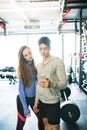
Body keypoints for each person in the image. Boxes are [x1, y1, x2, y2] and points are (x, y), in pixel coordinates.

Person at [33, 36, 67, 130]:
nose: (43, 51)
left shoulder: (57, 62)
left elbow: (64, 84)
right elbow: (38, 85)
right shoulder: (39, 65)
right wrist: (36, 102)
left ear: (50, 48)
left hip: (52, 102)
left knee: (54, 127)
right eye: (40, 49)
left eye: (45, 48)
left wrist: (51, 84)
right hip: (42, 102)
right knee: (45, 125)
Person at [16, 45, 44, 130]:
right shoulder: (22, 70)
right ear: (23, 58)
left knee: (41, 119)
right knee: (21, 122)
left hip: (33, 99)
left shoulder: (35, 66)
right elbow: (21, 90)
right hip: (22, 99)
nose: (29, 56)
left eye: (30, 53)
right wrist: (25, 108)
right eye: (26, 55)